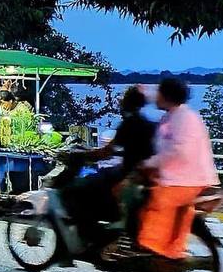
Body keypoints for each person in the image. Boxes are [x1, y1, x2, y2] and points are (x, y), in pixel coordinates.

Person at [54, 86, 156, 241]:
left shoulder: (130, 124)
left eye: (122, 99)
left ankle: (90, 233)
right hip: (136, 172)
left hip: (128, 173)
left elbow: (106, 152)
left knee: (76, 190)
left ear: (127, 102)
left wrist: (80, 155)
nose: (119, 102)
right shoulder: (146, 123)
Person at [137, 78, 219, 259]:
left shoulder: (183, 119)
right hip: (182, 176)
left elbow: (177, 151)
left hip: (184, 179)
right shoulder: (175, 115)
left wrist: (150, 163)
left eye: (159, 93)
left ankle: (157, 252)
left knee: (157, 210)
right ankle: (169, 249)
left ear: (167, 96)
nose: (156, 96)